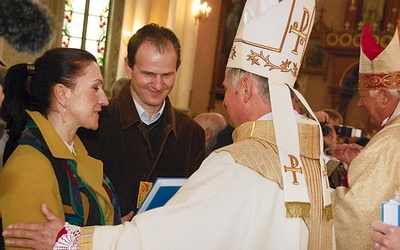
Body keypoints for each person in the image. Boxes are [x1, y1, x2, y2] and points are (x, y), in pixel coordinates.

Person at [2, 0, 334, 249]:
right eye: (148, 73)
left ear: (245, 88)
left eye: (228, 89)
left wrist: (69, 239)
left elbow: (176, 232)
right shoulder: (309, 162)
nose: (226, 100)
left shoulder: (235, 160)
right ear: (130, 69)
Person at [0, 48, 128, 249]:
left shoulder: (74, 151)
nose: (104, 100)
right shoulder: (29, 167)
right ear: (62, 94)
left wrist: (116, 233)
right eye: (95, 88)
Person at [78, 23, 205, 216]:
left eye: (167, 75)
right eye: (148, 74)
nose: (158, 84)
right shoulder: (96, 122)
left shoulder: (192, 133)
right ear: (129, 67)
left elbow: (194, 204)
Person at [332, 22, 400, 249]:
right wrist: (362, 161)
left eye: (363, 96)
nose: (359, 104)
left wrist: (317, 196)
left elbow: (357, 215)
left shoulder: (392, 138)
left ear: (383, 96)